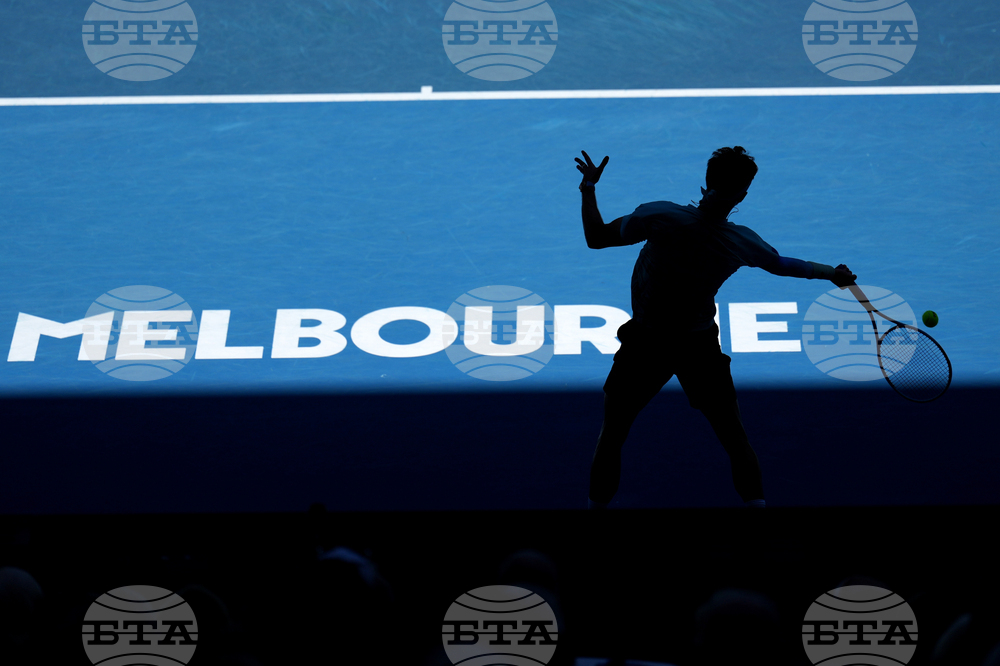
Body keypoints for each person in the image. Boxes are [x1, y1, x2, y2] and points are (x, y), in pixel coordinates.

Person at [576, 147, 856, 508]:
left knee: (612, 435)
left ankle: (592, 525)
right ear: (743, 194)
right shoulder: (742, 242)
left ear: (706, 182)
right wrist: (831, 273)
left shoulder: (659, 215)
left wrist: (588, 188)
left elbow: (596, 237)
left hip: (647, 342)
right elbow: (785, 264)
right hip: (698, 346)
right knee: (734, 438)